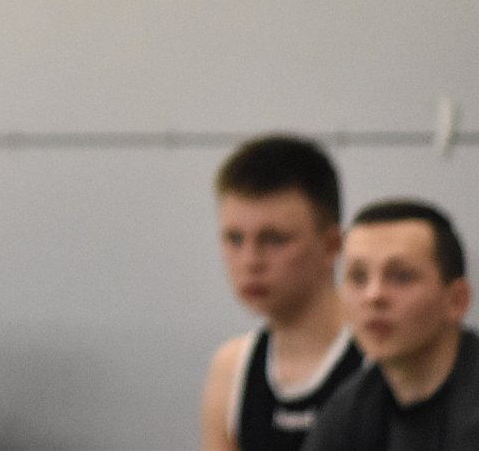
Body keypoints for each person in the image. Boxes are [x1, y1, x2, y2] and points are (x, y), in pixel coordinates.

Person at [200, 136, 362, 451]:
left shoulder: (381, 361)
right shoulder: (232, 370)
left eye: (274, 239)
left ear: (331, 245)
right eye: (235, 239)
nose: (250, 261)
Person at [302, 200, 479, 451]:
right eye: (358, 277)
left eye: (401, 276)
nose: (373, 296)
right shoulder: (349, 409)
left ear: (456, 300)